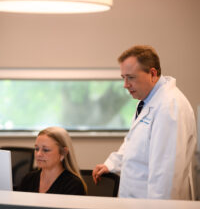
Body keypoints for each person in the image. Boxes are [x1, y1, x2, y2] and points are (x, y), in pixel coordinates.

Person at [93, 45, 197, 200]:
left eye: (131, 77)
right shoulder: (147, 100)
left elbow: (165, 174)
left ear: (153, 74)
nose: (125, 85)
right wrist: (112, 163)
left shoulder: (169, 107)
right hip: (137, 205)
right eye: (123, 78)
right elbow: (134, 143)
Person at [19, 126, 87, 195]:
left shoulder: (73, 185)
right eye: (36, 149)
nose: (38, 154)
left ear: (63, 153)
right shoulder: (28, 179)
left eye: (46, 150)